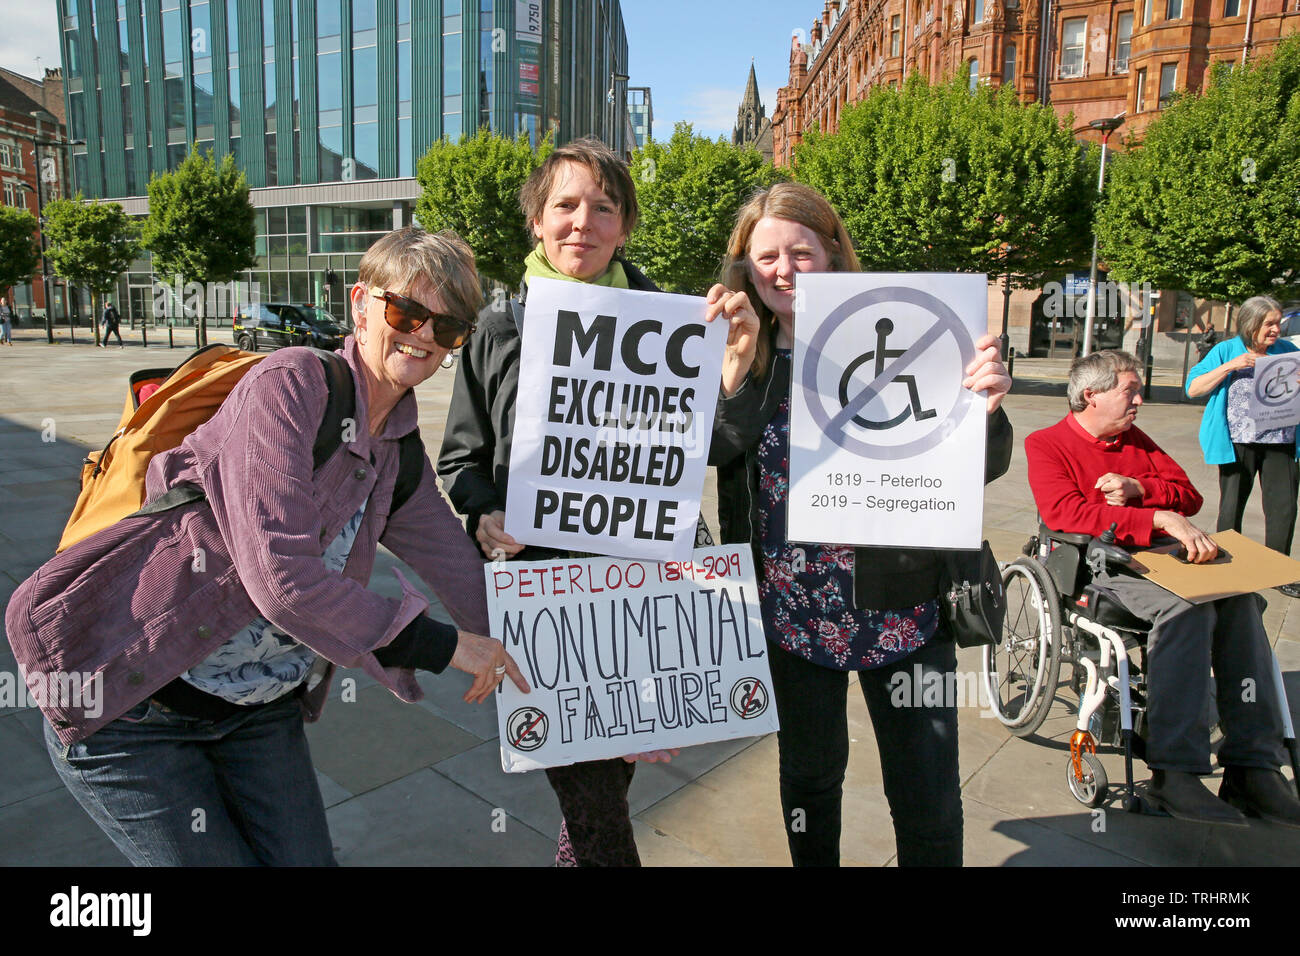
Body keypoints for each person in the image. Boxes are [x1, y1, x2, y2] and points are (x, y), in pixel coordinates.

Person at [28, 227, 528, 865]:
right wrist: (446, 647)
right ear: (361, 305)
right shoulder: (290, 384)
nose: (424, 336)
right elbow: (281, 580)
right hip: (132, 701)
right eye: (408, 312)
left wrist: (585, 683)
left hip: (257, 706)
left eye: (449, 327)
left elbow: (466, 581)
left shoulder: (397, 449)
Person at [704, 182, 1013, 866]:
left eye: (801, 251)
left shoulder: (910, 334)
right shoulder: (741, 350)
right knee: (809, 783)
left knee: (927, 793)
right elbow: (719, 451)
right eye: (765, 257)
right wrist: (734, 374)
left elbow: (979, 468)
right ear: (744, 268)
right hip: (790, 613)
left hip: (902, 607)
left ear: (835, 253)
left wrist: (986, 408)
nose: (783, 269)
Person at [439, 138, 697, 867]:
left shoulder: (671, 325)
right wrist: (485, 514)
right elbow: (460, 457)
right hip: (540, 596)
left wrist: (729, 358)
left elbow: (699, 450)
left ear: (625, 225)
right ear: (537, 222)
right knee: (590, 801)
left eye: (603, 207)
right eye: (566, 205)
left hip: (634, 596)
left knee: (602, 789)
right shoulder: (498, 329)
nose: (582, 222)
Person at [1026, 349, 1300, 828]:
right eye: (1129, 391)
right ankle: (1174, 773)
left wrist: (1141, 489)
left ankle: (1254, 766)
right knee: (1187, 610)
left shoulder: (1135, 441)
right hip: (1101, 567)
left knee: (1238, 601)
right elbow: (1064, 514)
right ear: (1091, 395)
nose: (1140, 401)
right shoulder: (1047, 444)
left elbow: (1189, 495)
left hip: (1163, 559)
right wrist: (1151, 516)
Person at [1186, 295, 1300, 598]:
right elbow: (1193, 387)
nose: (1276, 329)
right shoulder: (1226, 350)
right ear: (1251, 323)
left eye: (1278, 323)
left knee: (1284, 507)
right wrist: (1232, 366)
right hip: (1238, 442)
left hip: (1281, 441)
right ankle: (1225, 562)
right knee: (1232, 503)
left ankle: (1278, 571)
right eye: (1270, 323)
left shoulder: (1288, 351)